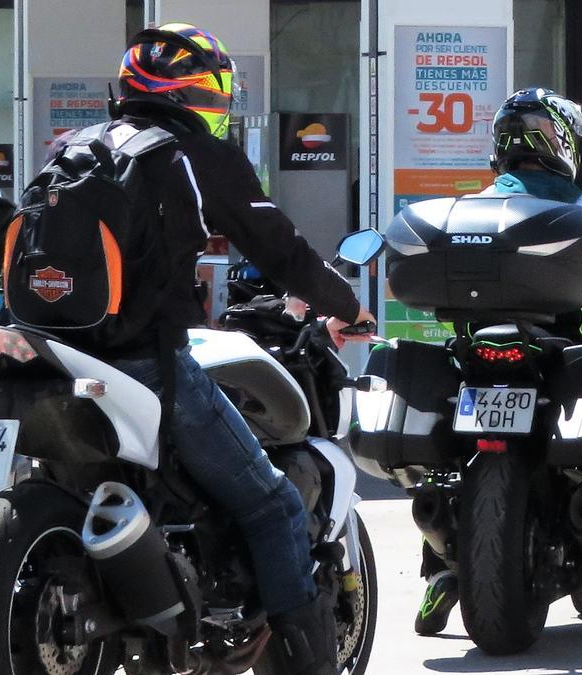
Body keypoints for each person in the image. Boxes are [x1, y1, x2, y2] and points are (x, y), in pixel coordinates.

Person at [104, 24, 375, 675]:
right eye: (209, 93)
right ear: (192, 97)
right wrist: (348, 305)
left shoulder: (79, 146)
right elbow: (279, 248)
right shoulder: (190, 153)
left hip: (56, 358)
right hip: (151, 363)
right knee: (274, 502)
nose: (213, 106)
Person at [413, 88, 582, 637]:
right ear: (559, 143)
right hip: (564, 364)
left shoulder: (472, 207)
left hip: (477, 359)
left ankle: (439, 571)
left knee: (451, 458)